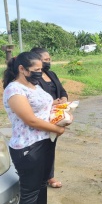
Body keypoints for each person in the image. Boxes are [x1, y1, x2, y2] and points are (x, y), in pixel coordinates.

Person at [2, 52, 69, 204]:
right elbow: (30, 120)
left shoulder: (34, 85)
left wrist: (58, 107)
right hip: (29, 147)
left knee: (41, 186)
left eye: (41, 69)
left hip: (45, 142)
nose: (40, 73)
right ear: (22, 69)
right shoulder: (15, 90)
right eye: (36, 70)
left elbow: (41, 106)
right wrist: (56, 129)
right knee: (30, 193)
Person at [30, 47, 68, 188]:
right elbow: (32, 100)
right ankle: (38, 177)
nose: (48, 62)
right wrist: (52, 102)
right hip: (41, 117)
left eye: (49, 59)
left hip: (55, 116)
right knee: (39, 148)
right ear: (37, 60)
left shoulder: (51, 74)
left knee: (50, 146)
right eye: (46, 60)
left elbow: (62, 90)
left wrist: (63, 98)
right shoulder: (33, 78)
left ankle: (49, 176)